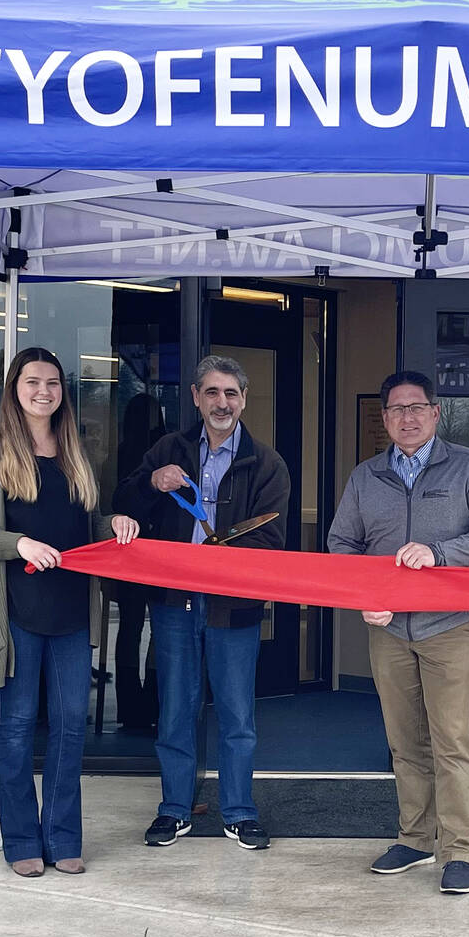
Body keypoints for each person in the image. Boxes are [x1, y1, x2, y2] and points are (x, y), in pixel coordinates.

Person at [327, 371, 469, 895]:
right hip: (388, 629)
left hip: (449, 624)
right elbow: (342, 544)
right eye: (396, 409)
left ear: (435, 412)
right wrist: (366, 595)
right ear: (385, 417)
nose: (407, 417)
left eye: (416, 407)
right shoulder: (366, 476)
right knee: (404, 742)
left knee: (452, 740)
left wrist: (440, 553)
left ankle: (459, 849)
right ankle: (414, 839)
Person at [0, 348, 138, 878]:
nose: (44, 392)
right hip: (15, 612)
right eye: (32, 382)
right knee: (16, 729)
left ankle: (63, 839)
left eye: (53, 383)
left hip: (72, 612)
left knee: (70, 728)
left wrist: (115, 523)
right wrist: (19, 544)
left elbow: (88, 522)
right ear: (13, 389)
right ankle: (21, 842)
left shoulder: (75, 451)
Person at [116, 355, 290, 852]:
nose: (222, 402)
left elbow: (271, 539)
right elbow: (124, 506)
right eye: (212, 392)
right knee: (175, 711)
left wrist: (216, 556)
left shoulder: (267, 463)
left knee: (237, 716)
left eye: (231, 393)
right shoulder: (167, 450)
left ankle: (239, 811)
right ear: (195, 397)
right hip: (174, 603)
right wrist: (152, 482)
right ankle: (174, 810)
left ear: (244, 399)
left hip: (234, 607)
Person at [112, 391, 168, 732]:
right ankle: (155, 703)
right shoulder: (164, 451)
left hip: (126, 550)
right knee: (161, 627)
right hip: (160, 551)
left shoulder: (120, 452)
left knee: (130, 629)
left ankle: (129, 707)